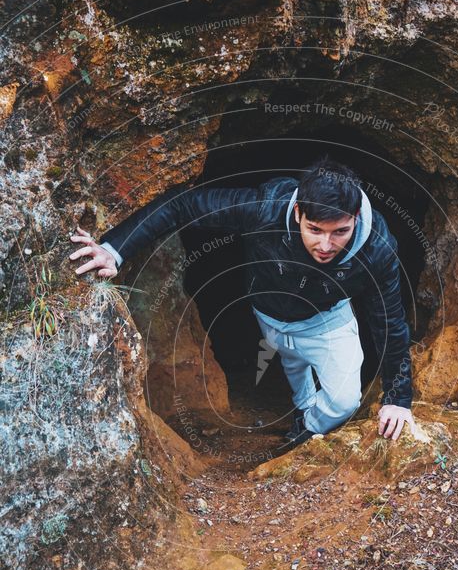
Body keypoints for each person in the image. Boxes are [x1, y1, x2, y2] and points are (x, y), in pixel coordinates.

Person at [69, 155, 416, 445]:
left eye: (340, 232)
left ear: (355, 219)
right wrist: (115, 249)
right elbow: (184, 206)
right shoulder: (265, 208)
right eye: (315, 230)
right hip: (267, 313)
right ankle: (302, 407)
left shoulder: (376, 249)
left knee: (344, 401)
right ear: (297, 212)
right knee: (293, 365)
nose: (326, 246)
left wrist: (398, 399)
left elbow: (389, 321)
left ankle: (307, 429)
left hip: (326, 321)